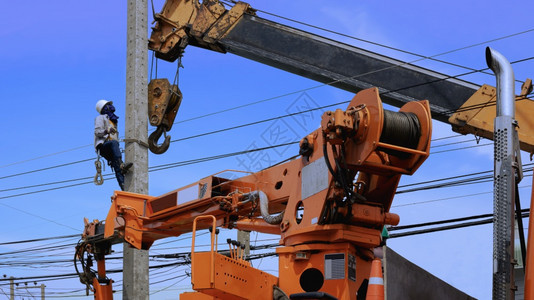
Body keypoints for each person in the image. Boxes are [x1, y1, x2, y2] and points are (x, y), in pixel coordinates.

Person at [94, 100, 133, 190]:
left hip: (112, 147)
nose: (111, 107)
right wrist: (107, 131)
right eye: (108, 105)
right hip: (103, 146)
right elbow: (97, 132)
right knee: (113, 144)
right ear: (104, 108)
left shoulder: (113, 120)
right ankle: (122, 165)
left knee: (116, 165)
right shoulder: (100, 118)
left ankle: (124, 187)